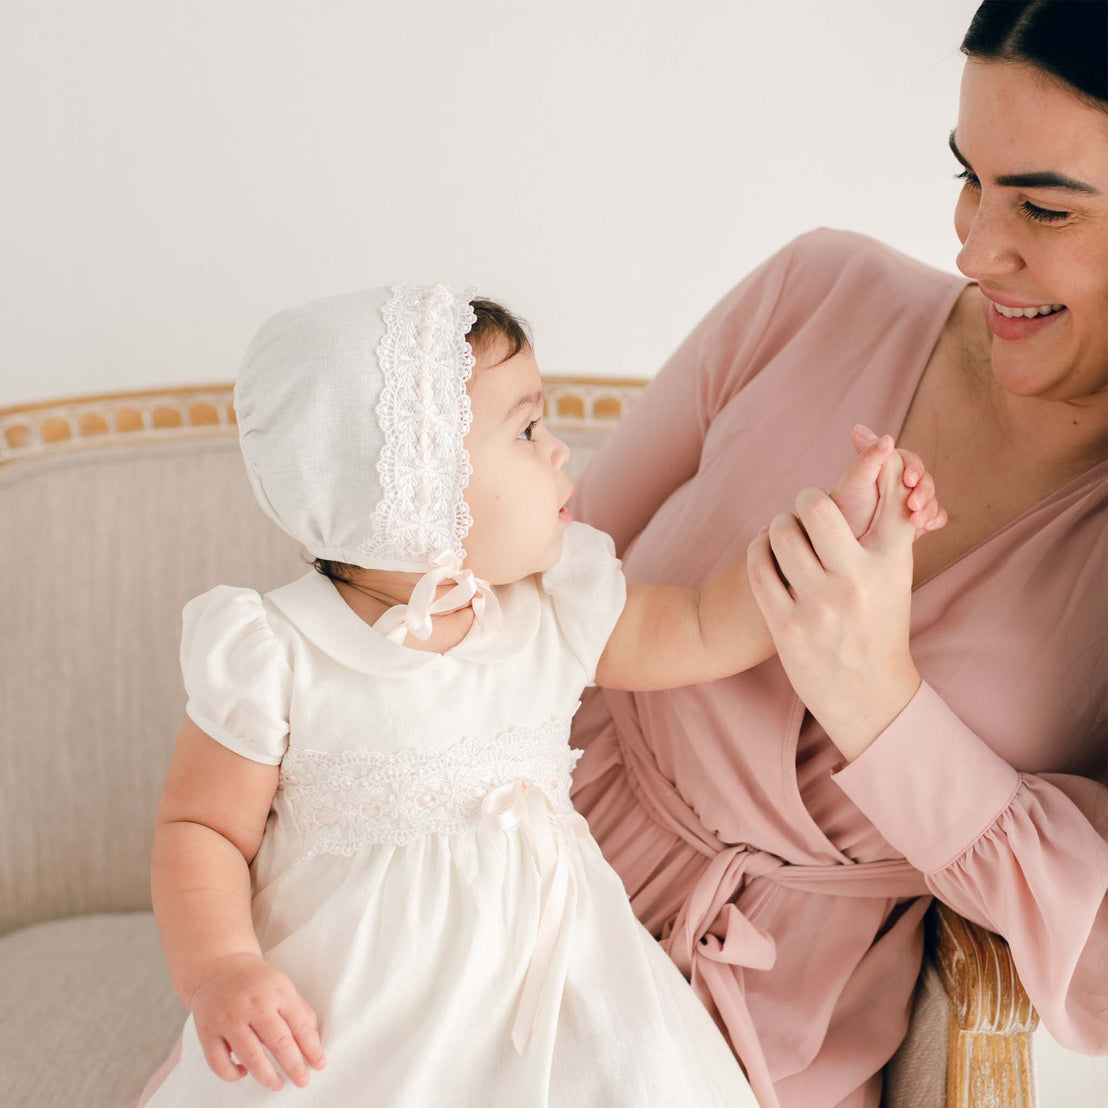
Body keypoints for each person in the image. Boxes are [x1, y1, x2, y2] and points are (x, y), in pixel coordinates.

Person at [131, 285, 940, 1106]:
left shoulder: (551, 605)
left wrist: (836, 527)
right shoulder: (278, 651)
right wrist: (222, 968)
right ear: (414, 487)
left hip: (556, 983)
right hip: (364, 998)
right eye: (524, 430)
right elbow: (201, 828)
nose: (559, 452)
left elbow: (701, 625)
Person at [565, 2, 1108, 1106]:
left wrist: (880, 705)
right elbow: (541, 583)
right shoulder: (816, 291)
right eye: (966, 176)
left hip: (769, 1031)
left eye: (1043, 208)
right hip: (520, 863)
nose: (971, 245)